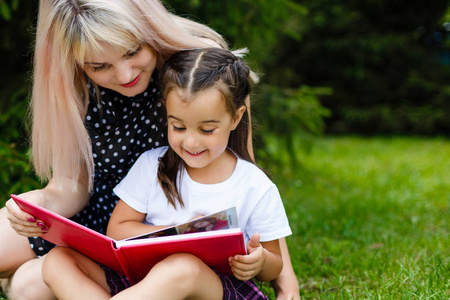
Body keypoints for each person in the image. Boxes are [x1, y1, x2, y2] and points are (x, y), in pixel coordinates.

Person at [0, 1, 300, 299]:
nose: (124, 73)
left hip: (190, 264)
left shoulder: (201, 70)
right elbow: (71, 186)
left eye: (132, 52)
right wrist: (37, 202)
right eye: (99, 66)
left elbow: (246, 180)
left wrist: (285, 283)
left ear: (150, 30)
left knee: (30, 286)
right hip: (103, 228)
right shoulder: (74, 85)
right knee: (37, 267)